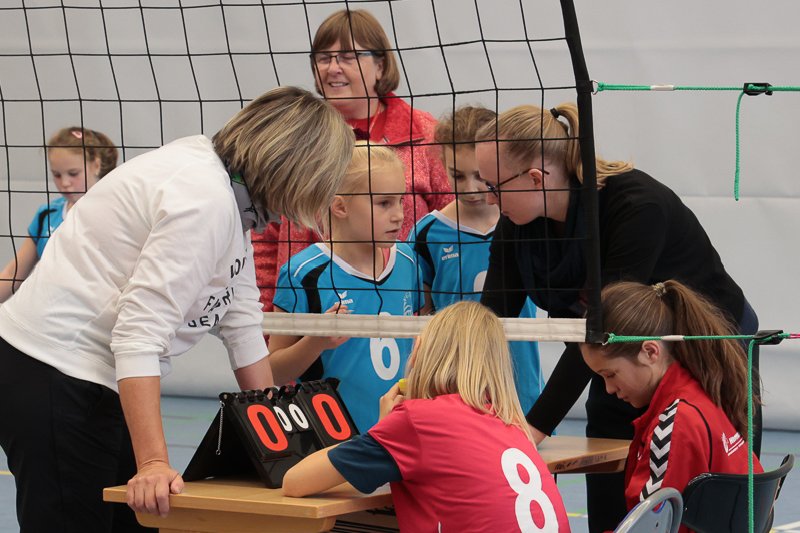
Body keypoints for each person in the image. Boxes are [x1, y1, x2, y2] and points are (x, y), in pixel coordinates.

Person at [0, 86, 354, 531]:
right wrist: (152, 462)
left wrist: (276, 440)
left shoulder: (231, 197)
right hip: (54, 371)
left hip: (91, 378)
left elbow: (242, 321)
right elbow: (138, 334)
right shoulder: (204, 198)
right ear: (295, 169)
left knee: (138, 519)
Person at [475, 103, 760, 532]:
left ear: (536, 178)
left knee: (708, 490)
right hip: (626, 354)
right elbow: (489, 322)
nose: (487, 199)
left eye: (494, 186)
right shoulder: (518, 222)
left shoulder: (635, 207)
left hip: (708, 347)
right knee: (609, 449)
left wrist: (532, 429)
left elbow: (604, 329)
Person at [282, 301, 571, 533]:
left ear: (421, 352)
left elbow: (294, 482)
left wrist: (382, 428)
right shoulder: (509, 421)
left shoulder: (418, 420)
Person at [252, 8, 452, 313]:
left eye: (348, 57)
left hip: (403, 312)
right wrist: (267, 322)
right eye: (324, 58)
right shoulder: (293, 139)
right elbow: (264, 240)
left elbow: (455, 229)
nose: (333, 68)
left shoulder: (425, 135)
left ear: (380, 66)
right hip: (308, 318)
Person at [269, 142, 419, 432]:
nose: (399, 214)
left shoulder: (407, 261)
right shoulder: (304, 273)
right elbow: (273, 371)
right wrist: (316, 341)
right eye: (384, 203)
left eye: (401, 200)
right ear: (340, 206)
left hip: (398, 431)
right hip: (331, 437)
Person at [581, 280, 763, 514]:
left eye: (610, 374)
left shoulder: (674, 423)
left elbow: (650, 526)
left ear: (650, 352)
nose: (608, 389)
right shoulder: (704, 392)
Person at [408, 105, 542, 413]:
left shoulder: (526, 224)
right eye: (457, 175)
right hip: (456, 380)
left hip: (519, 379)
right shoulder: (428, 233)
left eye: (481, 177)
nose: (470, 189)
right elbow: (421, 314)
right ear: (442, 164)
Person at [0, 126, 118, 302]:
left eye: (73, 174)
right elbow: (12, 273)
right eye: (56, 175)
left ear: (96, 165)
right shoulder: (47, 215)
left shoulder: (115, 214)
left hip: (97, 312)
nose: (65, 183)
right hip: (46, 310)